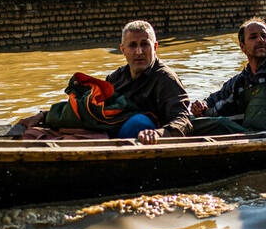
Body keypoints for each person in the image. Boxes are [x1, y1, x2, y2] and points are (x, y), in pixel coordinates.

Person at [19, 20, 192, 145]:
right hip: (112, 132)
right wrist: (43, 115)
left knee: (138, 122)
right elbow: (91, 106)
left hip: (143, 137)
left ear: (154, 47)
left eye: (144, 44)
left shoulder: (165, 78)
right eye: (132, 45)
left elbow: (183, 120)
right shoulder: (117, 77)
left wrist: (157, 134)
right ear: (123, 50)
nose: (139, 51)